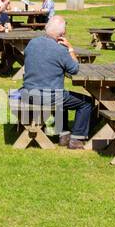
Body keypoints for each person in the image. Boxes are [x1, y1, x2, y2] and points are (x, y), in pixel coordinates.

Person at [18, 16, 94, 150]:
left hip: (28, 93)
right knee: (86, 102)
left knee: (61, 97)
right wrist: (70, 49)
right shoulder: (60, 50)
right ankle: (76, 138)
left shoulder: (32, 43)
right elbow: (74, 69)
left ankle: (63, 134)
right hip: (49, 96)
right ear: (62, 34)